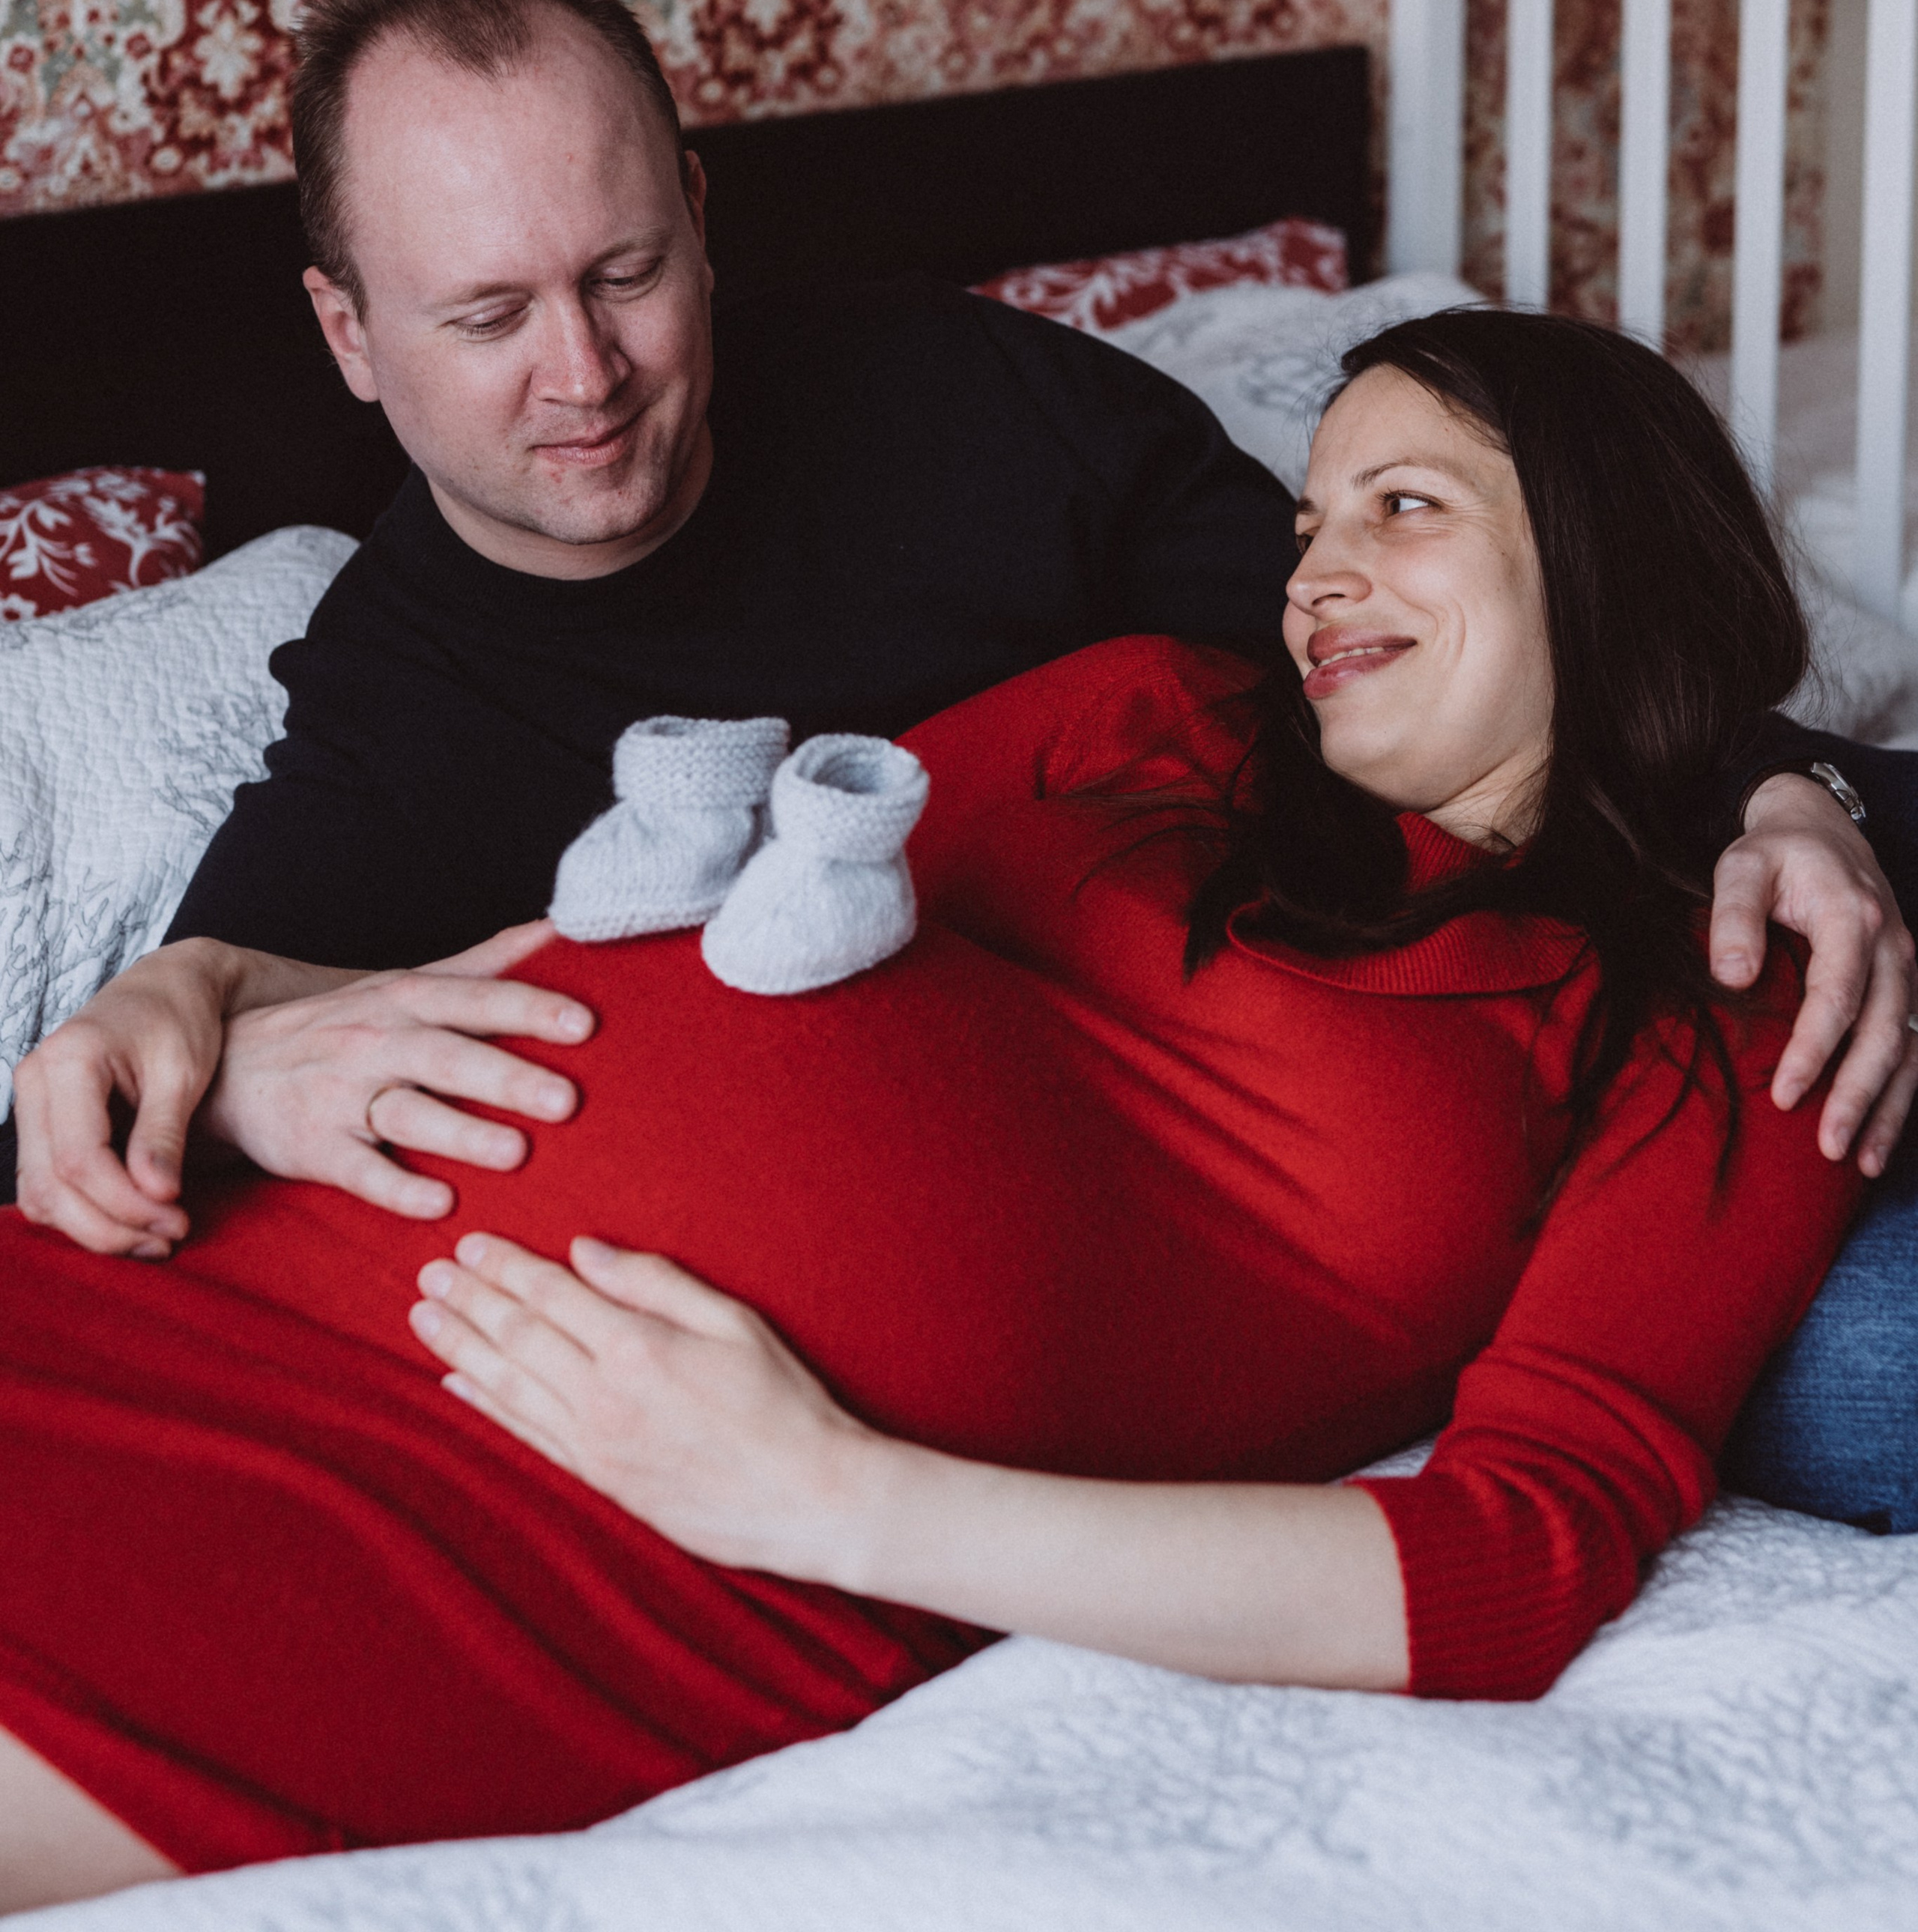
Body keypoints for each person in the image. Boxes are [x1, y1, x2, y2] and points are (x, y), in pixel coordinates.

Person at [0, 309, 1870, 1909]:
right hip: (218, 1276)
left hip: (556, 1533)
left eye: (1403, 507)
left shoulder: (1725, 993)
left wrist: (829, 1497)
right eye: (1307, 520)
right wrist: (226, 1004)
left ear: (1602, 541)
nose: (1309, 575)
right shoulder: (1156, 708)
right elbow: (697, 899)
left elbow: (1512, 1558)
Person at [10, 0, 1915, 1484]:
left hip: (1524, 976)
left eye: (625, 275)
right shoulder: (398, 699)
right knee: (1869, 1362)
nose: (583, 374)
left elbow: (1422, 652)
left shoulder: (956, 401)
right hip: (1329, 1233)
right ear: (349, 335)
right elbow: (164, 1081)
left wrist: (1783, 786)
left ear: (697, 216)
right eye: (488, 318)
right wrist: (205, 1035)